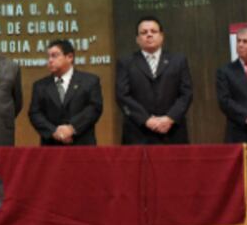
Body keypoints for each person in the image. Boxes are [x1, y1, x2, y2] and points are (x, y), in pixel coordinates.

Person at [116, 16, 193, 144]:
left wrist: (169, 118)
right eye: (144, 32)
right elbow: (122, 95)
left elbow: (186, 93)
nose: (149, 35)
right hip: (138, 133)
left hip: (172, 132)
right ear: (137, 39)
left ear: (161, 36)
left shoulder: (178, 60)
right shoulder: (126, 62)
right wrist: (146, 120)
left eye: (153, 31)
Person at [28, 39, 103, 146]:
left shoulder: (90, 81)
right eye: (48, 56)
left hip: (82, 144)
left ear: (69, 57)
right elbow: (35, 113)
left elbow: (94, 108)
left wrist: (72, 128)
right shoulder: (40, 86)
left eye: (54, 56)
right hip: (51, 146)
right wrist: (54, 132)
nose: (50, 60)